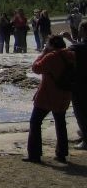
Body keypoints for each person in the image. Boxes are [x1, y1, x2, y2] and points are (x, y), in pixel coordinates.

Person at [24, 34, 76, 164]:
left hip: (48, 95)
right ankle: (61, 153)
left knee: (35, 122)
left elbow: (36, 67)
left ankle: (34, 154)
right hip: (64, 94)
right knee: (61, 122)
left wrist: (43, 53)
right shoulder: (71, 55)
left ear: (51, 45)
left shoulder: (51, 57)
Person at [64, 21, 87, 150]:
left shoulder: (77, 49)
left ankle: (86, 140)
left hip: (80, 84)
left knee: (81, 112)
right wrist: (71, 39)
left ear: (83, 30)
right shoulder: (79, 47)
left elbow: (70, 51)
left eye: (80, 29)